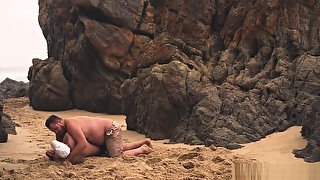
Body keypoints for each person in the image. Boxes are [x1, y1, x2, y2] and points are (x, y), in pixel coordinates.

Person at [45, 115, 153, 164]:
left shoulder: (71, 125)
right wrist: (54, 153)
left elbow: (82, 144)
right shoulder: (62, 131)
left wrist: (68, 160)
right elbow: (61, 145)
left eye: (56, 129)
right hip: (101, 139)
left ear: (60, 121)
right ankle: (142, 142)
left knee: (115, 155)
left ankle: (142, 149)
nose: (56, 132)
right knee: (114, 148)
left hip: (110, 130)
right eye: (53, 131)